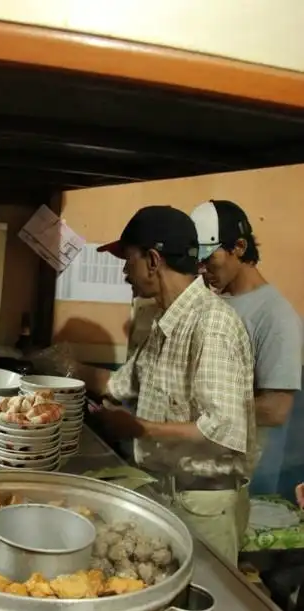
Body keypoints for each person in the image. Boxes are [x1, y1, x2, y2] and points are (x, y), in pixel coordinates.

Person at [79, 205, 256, 565]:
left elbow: (224, 428)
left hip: (201, 508)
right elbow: (119, 384)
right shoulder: (164, 322)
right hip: (164, 494)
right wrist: (57, 368)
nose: (125, 272)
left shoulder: (212, 325)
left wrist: (141, 427)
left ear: (153, 260)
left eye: (128, 259)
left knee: (201, 608)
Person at [190, 200, 302, 440]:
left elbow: (275, 410)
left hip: (241, 462)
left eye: (208, 258)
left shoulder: (276, 316)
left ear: (239, 247)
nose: (202, 269)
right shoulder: (212, 303)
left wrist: (194, 411)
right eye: (198, 261)